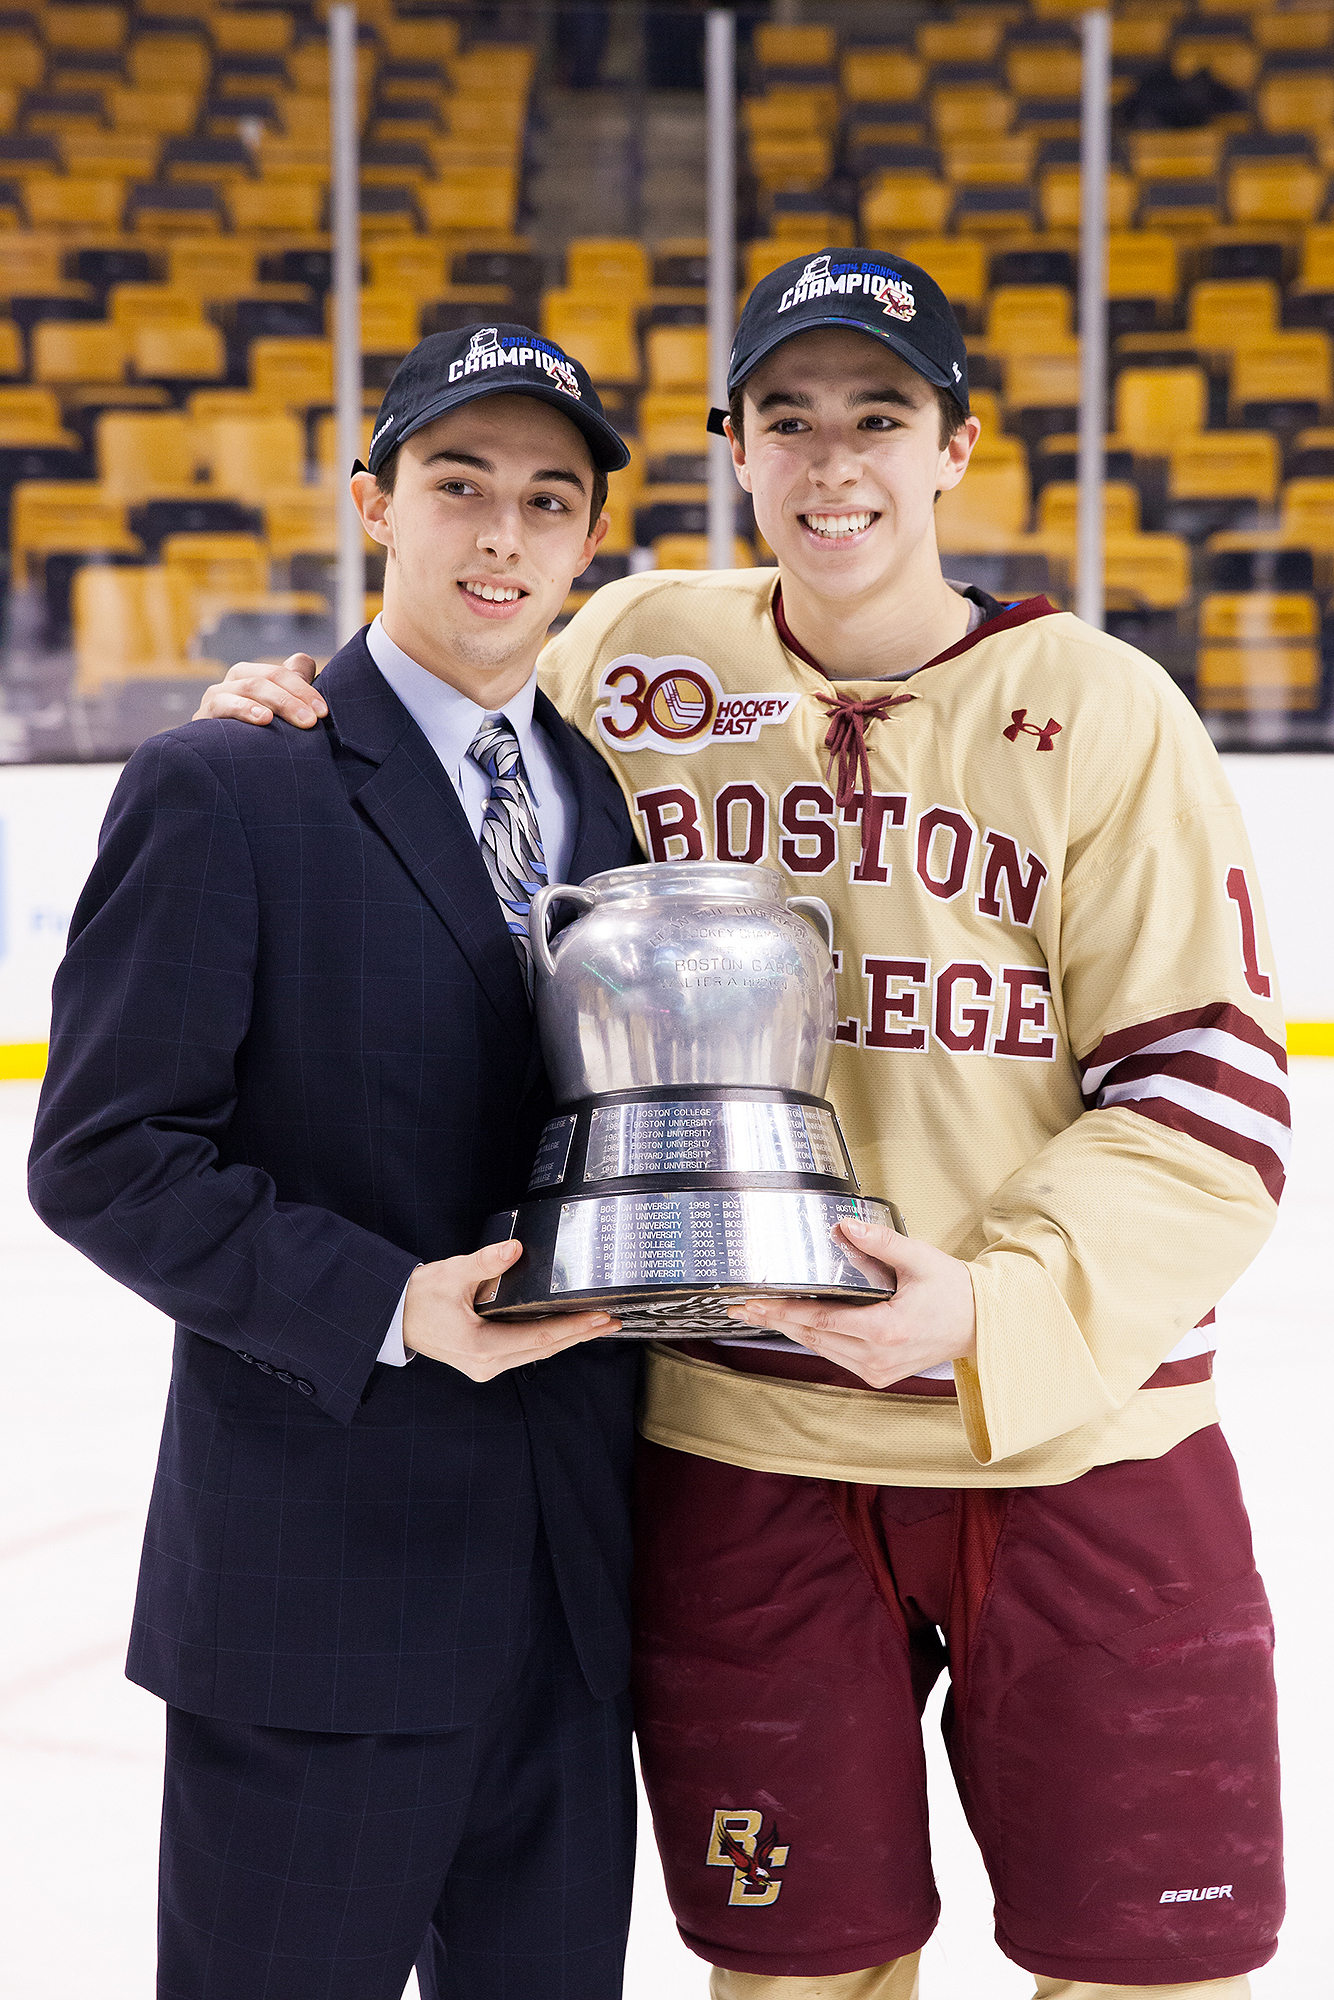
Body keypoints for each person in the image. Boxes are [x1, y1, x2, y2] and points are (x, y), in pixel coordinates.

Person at [198, 253, 1288, 2000]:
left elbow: (1209, 1081)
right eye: (786, 420)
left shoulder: (1102, 707)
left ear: (954, 448)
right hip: (740, 1444)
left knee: (1143, 1974)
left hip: (1079, 1443)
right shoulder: (637, 654)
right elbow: (433, 709)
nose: (830, 461)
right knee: (795, 1974)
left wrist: (991, 1309)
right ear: (733, 449)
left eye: (879, 417)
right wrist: (283, 707)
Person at [28, 325, 645, 2000]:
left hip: (574, 1614)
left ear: (592, 540)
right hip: (321, 1611)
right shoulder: (228, 783)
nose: (500, 536)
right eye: (459, 488)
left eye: (546, 499)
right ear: (374, 503)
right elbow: (102, 1156)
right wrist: (390, 1305)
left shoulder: (610, 803)